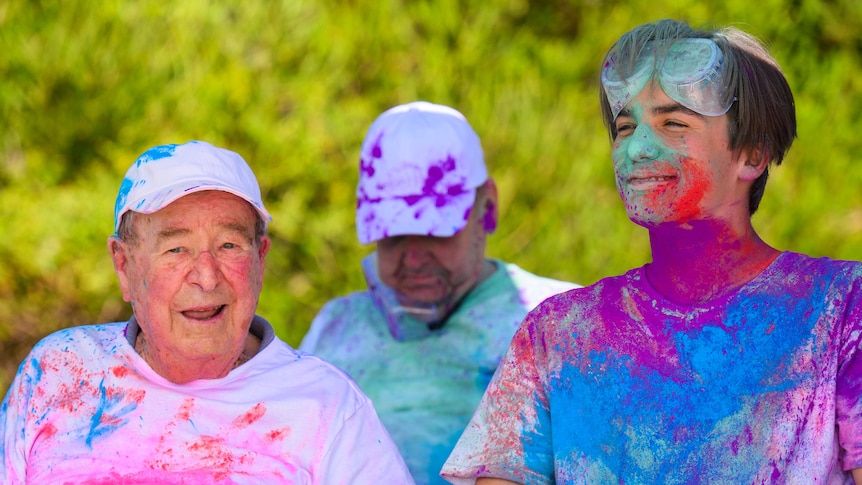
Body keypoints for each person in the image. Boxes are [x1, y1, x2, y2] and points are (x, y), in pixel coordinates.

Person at [441, 19, 862, 485]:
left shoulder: (841, 308)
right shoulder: (558, 332)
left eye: (673, 123)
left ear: (752, 156)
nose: (636, 149)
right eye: (625, 127)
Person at [0, 140, 414, 483]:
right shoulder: (58, 372)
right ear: (124, 266)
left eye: (229, 246)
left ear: (260, 260)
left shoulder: (326, 407)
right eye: (175, 249)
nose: (206, 277)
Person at [300, 101, 577, 484]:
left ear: (488, 209)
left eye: (435, 232)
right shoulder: (335, 327)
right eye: (393, 236)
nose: (413, 259)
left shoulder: (560, 321)